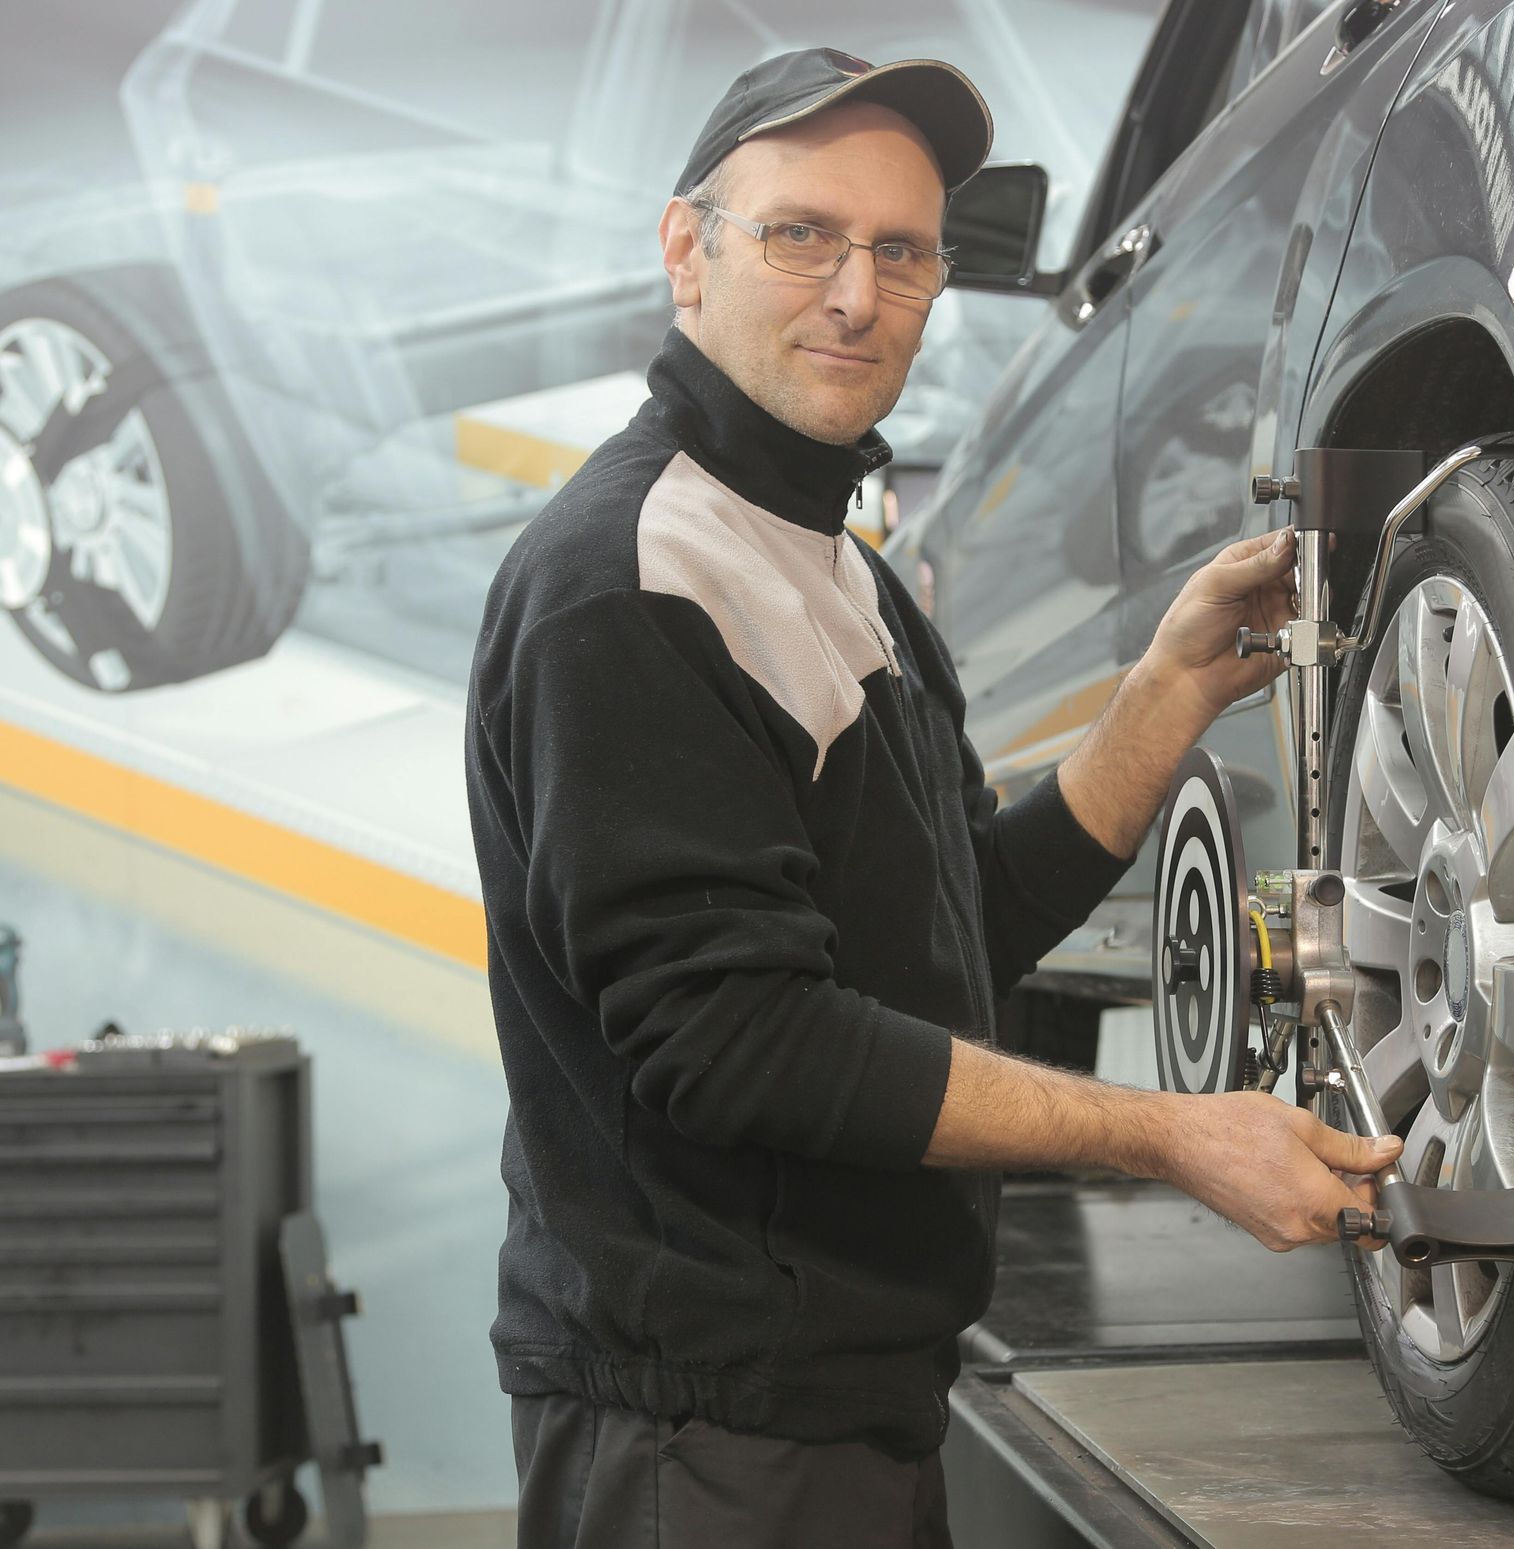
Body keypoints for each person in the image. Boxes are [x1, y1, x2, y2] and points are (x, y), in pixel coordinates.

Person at [464, 47, 1403, 1549]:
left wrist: (1158, 699)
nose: (856, 294)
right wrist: (1169, 1135)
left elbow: (962, 921)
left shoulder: (851, 580)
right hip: (704, 1437)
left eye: (902, 253)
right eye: (802, 235)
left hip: (845, 1408)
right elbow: (742, 1041)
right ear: (684, 250)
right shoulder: (629, 578)